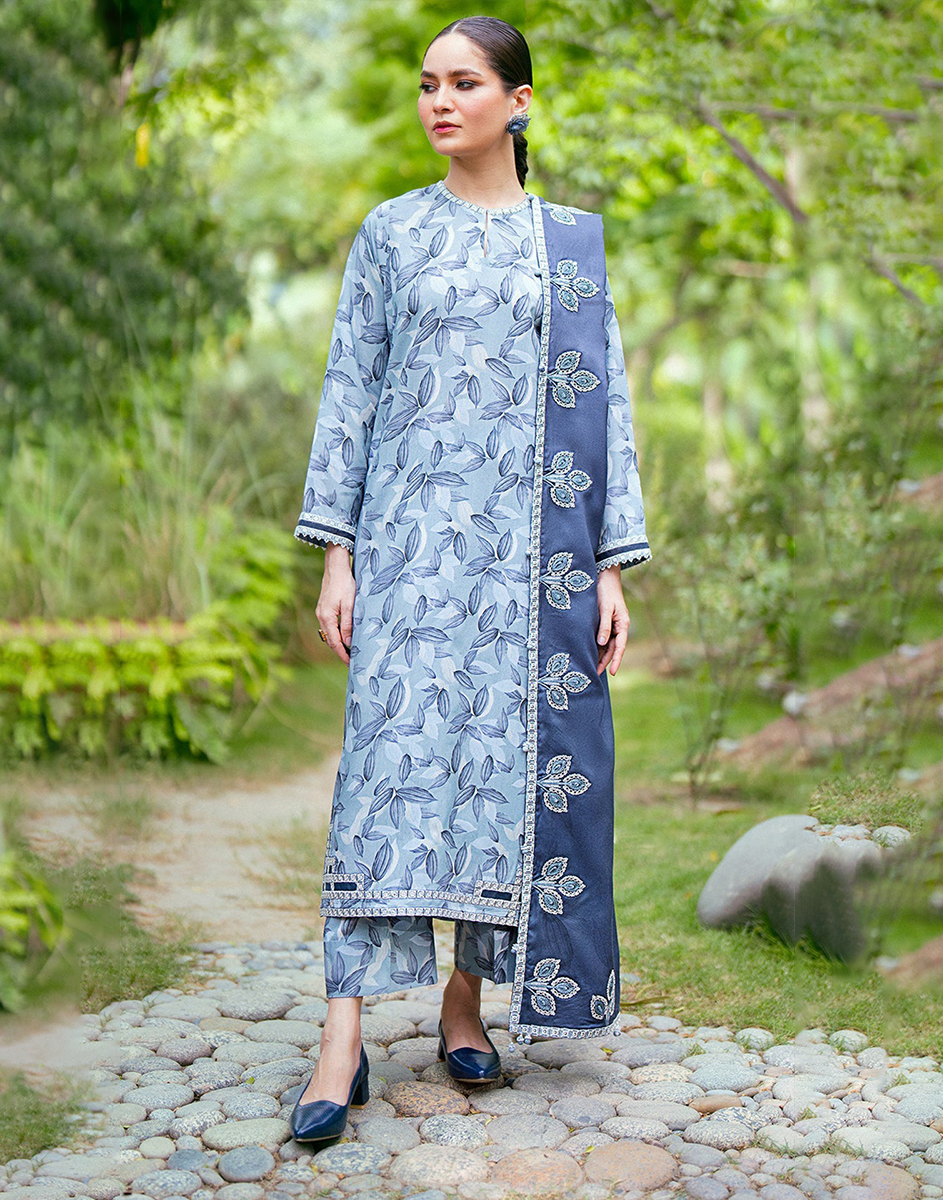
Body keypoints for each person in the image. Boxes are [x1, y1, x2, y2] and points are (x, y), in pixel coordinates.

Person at [289, 14, 651, 1143]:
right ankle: (341, 1037)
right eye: (428, 85)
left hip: (526, 566)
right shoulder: (391, 233)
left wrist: (606, 565)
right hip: (406, 553)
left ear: (519, 101)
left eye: (464, 83)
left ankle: (464, 1005)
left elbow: (606, 403)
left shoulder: (567, 246)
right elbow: (350, 390)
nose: (439, 102)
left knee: (502, 780)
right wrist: (338, 553)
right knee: (383, 773)